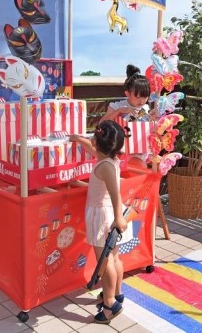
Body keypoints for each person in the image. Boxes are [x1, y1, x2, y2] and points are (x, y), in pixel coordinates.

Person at [69, 120, 128, 324]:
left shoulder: (104, 167)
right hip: (109, 214)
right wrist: (79, 139)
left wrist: (119, 217)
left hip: (102, 216)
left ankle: (110, 303)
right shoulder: (109, 159)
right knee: (114, 257)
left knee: (105, 261)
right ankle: (117, 293)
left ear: (97, 141)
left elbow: (115, 193)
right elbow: (93, 149)